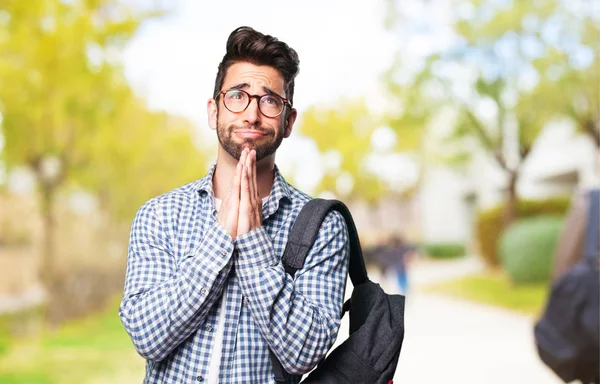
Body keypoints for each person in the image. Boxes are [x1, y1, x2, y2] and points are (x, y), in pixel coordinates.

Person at [118, 26, 350, 383]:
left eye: (270, 100)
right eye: (238, 96)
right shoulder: (159, 216)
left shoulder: (322, 226)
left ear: (288, 121)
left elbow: (305, 352)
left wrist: (254, 244)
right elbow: (148, 337)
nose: (252, 115)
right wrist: (220, 239)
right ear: (214, 112)